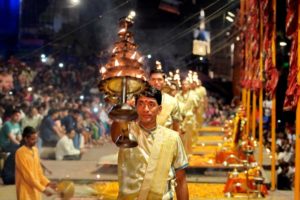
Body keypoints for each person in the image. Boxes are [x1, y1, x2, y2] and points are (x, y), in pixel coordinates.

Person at [111, 86, 189, 200]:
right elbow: (114, 136)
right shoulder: (127, 133)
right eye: (141, 104)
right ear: (135, 107)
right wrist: (122, 107)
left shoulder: (172, 138)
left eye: (151, 104)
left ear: (159, 109)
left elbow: (181, 179)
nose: (146, 109)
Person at [15, 126, 56, 200]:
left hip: (36, 190)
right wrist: (43, 189)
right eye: (32, 139)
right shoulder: (20, 153)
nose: (35, 141)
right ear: (26, 139)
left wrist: (47, 183)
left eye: (36, 139)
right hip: (25, 191)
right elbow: (28, 175)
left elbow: (39, 172)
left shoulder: (35, 150)